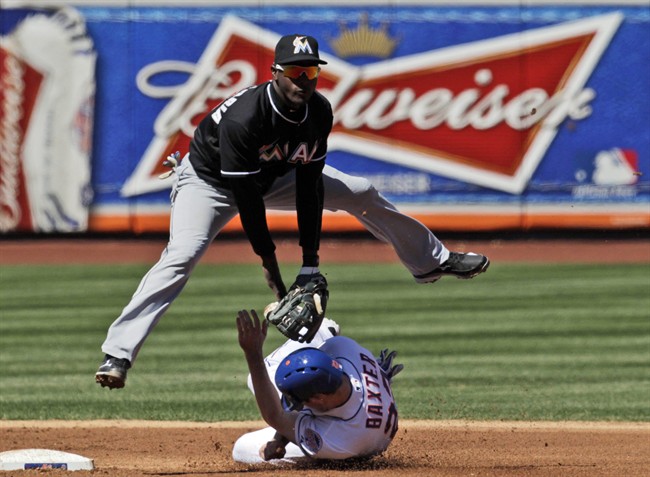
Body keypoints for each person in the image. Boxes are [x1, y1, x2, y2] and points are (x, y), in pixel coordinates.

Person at [95, 33, 489, 389]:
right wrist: (268, 261)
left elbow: (309, 189)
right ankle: (119, 353)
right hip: (209, 183)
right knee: (182, 255)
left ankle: (430, 261)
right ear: (275, 74)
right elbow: (247, 200)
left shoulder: (318, 112)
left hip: (276, 176)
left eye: (311, 70)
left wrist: (310, 265)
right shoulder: (244, 119)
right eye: (295, 70)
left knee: (361, 191)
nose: (303, 79)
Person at [233, 309, 402, 464]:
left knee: (240, 448)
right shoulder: (343, 348)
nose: (296, 402)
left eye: (299, 400)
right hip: (362, 419)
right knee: (261, 382)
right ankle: (320, 329)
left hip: (346, 449)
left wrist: (253, 354)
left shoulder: (338, 436)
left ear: (318, 398)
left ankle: (320, 331)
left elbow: (276, 416)